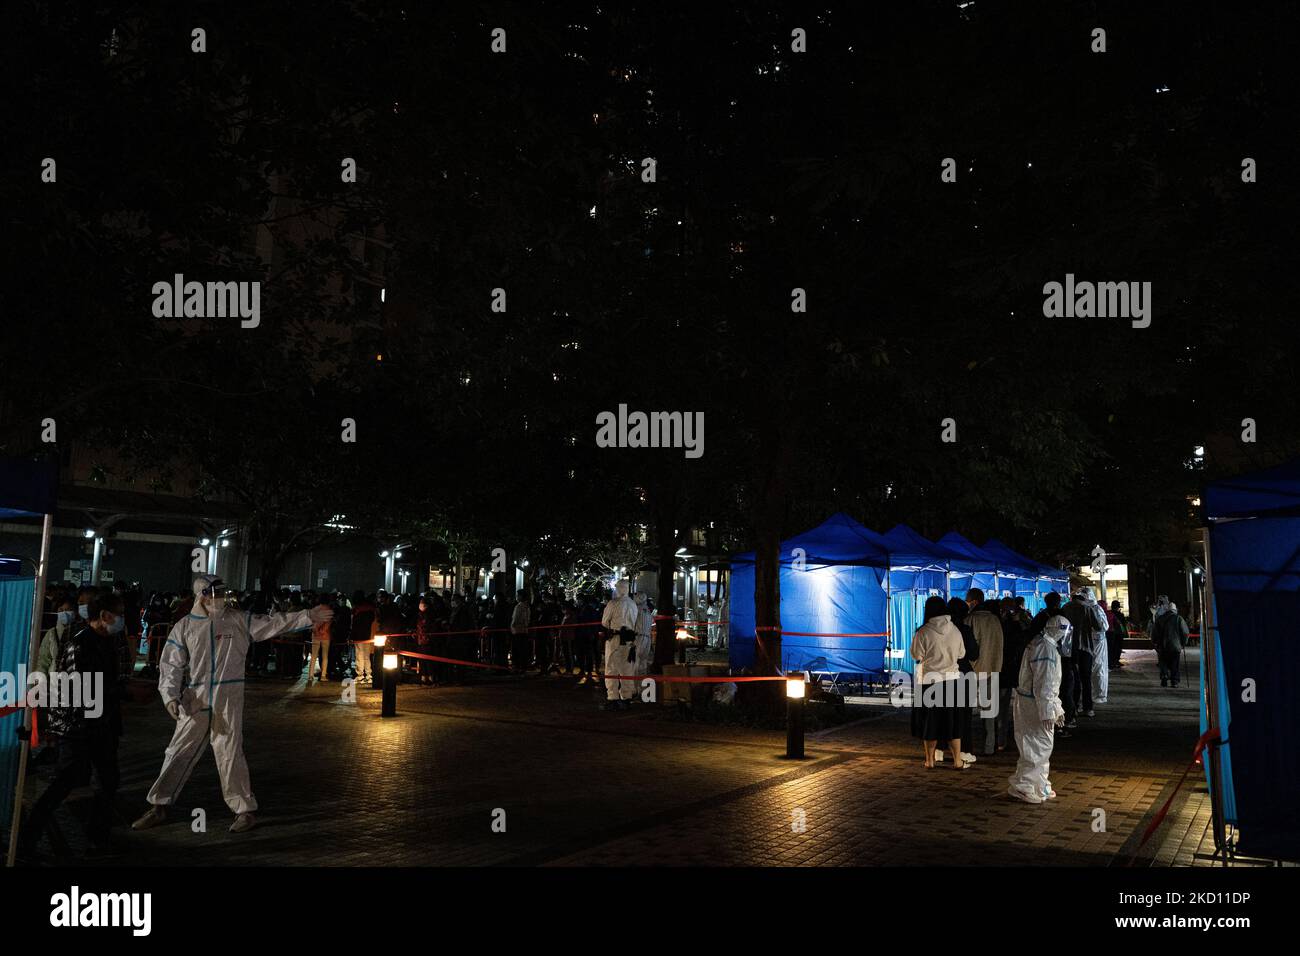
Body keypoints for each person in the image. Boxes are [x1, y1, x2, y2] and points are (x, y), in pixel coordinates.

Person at [131, 575, 331, 834]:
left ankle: (244, 810)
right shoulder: (185, 626)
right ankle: (158, 806)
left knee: (229, 752)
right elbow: (170, 664)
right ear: (203, 595)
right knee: (178, 751)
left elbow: (272, 623)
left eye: (223, 592)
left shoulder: (237, 619)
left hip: (229, 696)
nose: (222, 597)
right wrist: (169, 696)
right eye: (217, 593)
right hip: (196, 696)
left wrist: (307, 616)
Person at [20, 590, 126, 857]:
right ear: (104, 616)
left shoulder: (105, 642)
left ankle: (97, 841)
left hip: (101, 726)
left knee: (107, 781)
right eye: (119, 614)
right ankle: (27, 839)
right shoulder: (80, 644)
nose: (122, 619)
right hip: (78, 728)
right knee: (66, 782)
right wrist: (124, 693)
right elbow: (81, 691)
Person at [1007, 614, 1070, 804]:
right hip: (1035, 703)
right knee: (1038, 745)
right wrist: (1049, 710)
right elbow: (1045, 684)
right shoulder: (1046, 649)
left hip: (1029, 701)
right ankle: (1025, 786)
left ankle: (1038, 783)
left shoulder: (1039, 643)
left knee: (1035, 744)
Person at [910, 596, 966, 770]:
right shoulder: (955, 630)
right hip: (952, 682)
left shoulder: (923, 632)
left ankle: (930, 760)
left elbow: (916, 655)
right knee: (952, 722)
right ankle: (957, 761)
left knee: (930, 722)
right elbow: (962, 654)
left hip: (929, 682)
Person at [966, 589, 1004, 756]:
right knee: (989, 712)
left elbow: (967, 647)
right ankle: (990, 746)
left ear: (973, 602)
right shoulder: (995, 620)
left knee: (966, 710)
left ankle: (966, 747)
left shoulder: (970, 619)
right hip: (993, 669)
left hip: (973, 670)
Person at [601, 581, 639, 710]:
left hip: (615, 639)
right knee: (627, 669)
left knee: (611, 668)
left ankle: (613, 698)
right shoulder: (633, 604)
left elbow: (605, 622)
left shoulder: (613, 603)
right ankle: (627, 697)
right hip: (629, 640)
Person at [1152, 597, 1190, 687]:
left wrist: (1154, 642)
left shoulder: (1159, 619)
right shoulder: (1179, 619)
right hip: (1175, 646)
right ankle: (1174, 681)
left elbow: (1154, 633)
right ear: (1175, 610)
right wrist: (1183, 643)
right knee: (1174, 663)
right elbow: (1185, 632)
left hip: (1162, 646)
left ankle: (1164, 676)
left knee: (1163, 662)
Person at [1081, 587, 1110, 703]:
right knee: (1092, 668)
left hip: (1098, 641)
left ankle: (1100, 695)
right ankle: (1095, 693)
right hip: (1091, 641)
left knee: (1098, 667)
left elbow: (1104, 626)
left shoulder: (1096, 609)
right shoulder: (1086, 608)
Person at [307, 593, 333, 683]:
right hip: (325, 636)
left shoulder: (315, 609)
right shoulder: (329, 609)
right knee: (325, 656)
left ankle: (310, 676)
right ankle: (323, 675)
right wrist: (323, 630)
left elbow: (311, 622)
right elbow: (328, 623)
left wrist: (316, 630)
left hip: (315, 636)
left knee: (314, 656)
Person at [350, 590, 375, 681]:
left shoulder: (356, 609)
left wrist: (351, 636)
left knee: (359, 655)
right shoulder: (370, 608)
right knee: (366, 656)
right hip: (368, 635)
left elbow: (354, 624)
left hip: (358, 636)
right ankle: (369, 674)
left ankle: (360, 674)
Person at [633, 590, 653, 681]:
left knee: (636, 659)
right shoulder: (647, 610)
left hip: (639, 636)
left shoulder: (636, 609)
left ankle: (635, 683)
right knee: (643, 660)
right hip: (647, 637)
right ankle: (642, 682)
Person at [510, 590, 532, 673]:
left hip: (517, 631)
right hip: (525, 631)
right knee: (523, 650)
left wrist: (512, 627)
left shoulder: (518, 607)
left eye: (518, 595)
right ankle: (523, 667)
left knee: (517, 651)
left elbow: (515, 619)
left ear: (521, 596)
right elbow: (528, 619)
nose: (517, 597)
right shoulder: (527, 607)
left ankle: (517, 667)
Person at [1107, 600, 1127, 669]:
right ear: (1118, 607)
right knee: (1118, 647)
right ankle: (1116, 661)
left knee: (1112, 647)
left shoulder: (1109, 613)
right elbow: (1123, 624)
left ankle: (1112, 661)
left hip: (1111, 633)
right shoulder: (1120, 614)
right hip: (1119, 633)